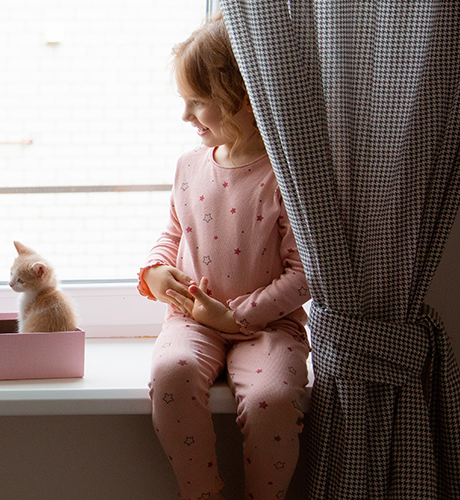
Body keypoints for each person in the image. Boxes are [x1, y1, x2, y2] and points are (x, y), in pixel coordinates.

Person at [137, 14, 311, 500]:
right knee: (170, 374)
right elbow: (173, 231)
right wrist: (154, 271)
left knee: (272, 401)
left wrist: (234, 316)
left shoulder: (284, 176)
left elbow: (304, 276)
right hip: (191, 319)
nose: (187, 116)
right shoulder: (190, 166)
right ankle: (202, 493)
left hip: (269, 326)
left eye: (199, 102)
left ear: (245, 98)